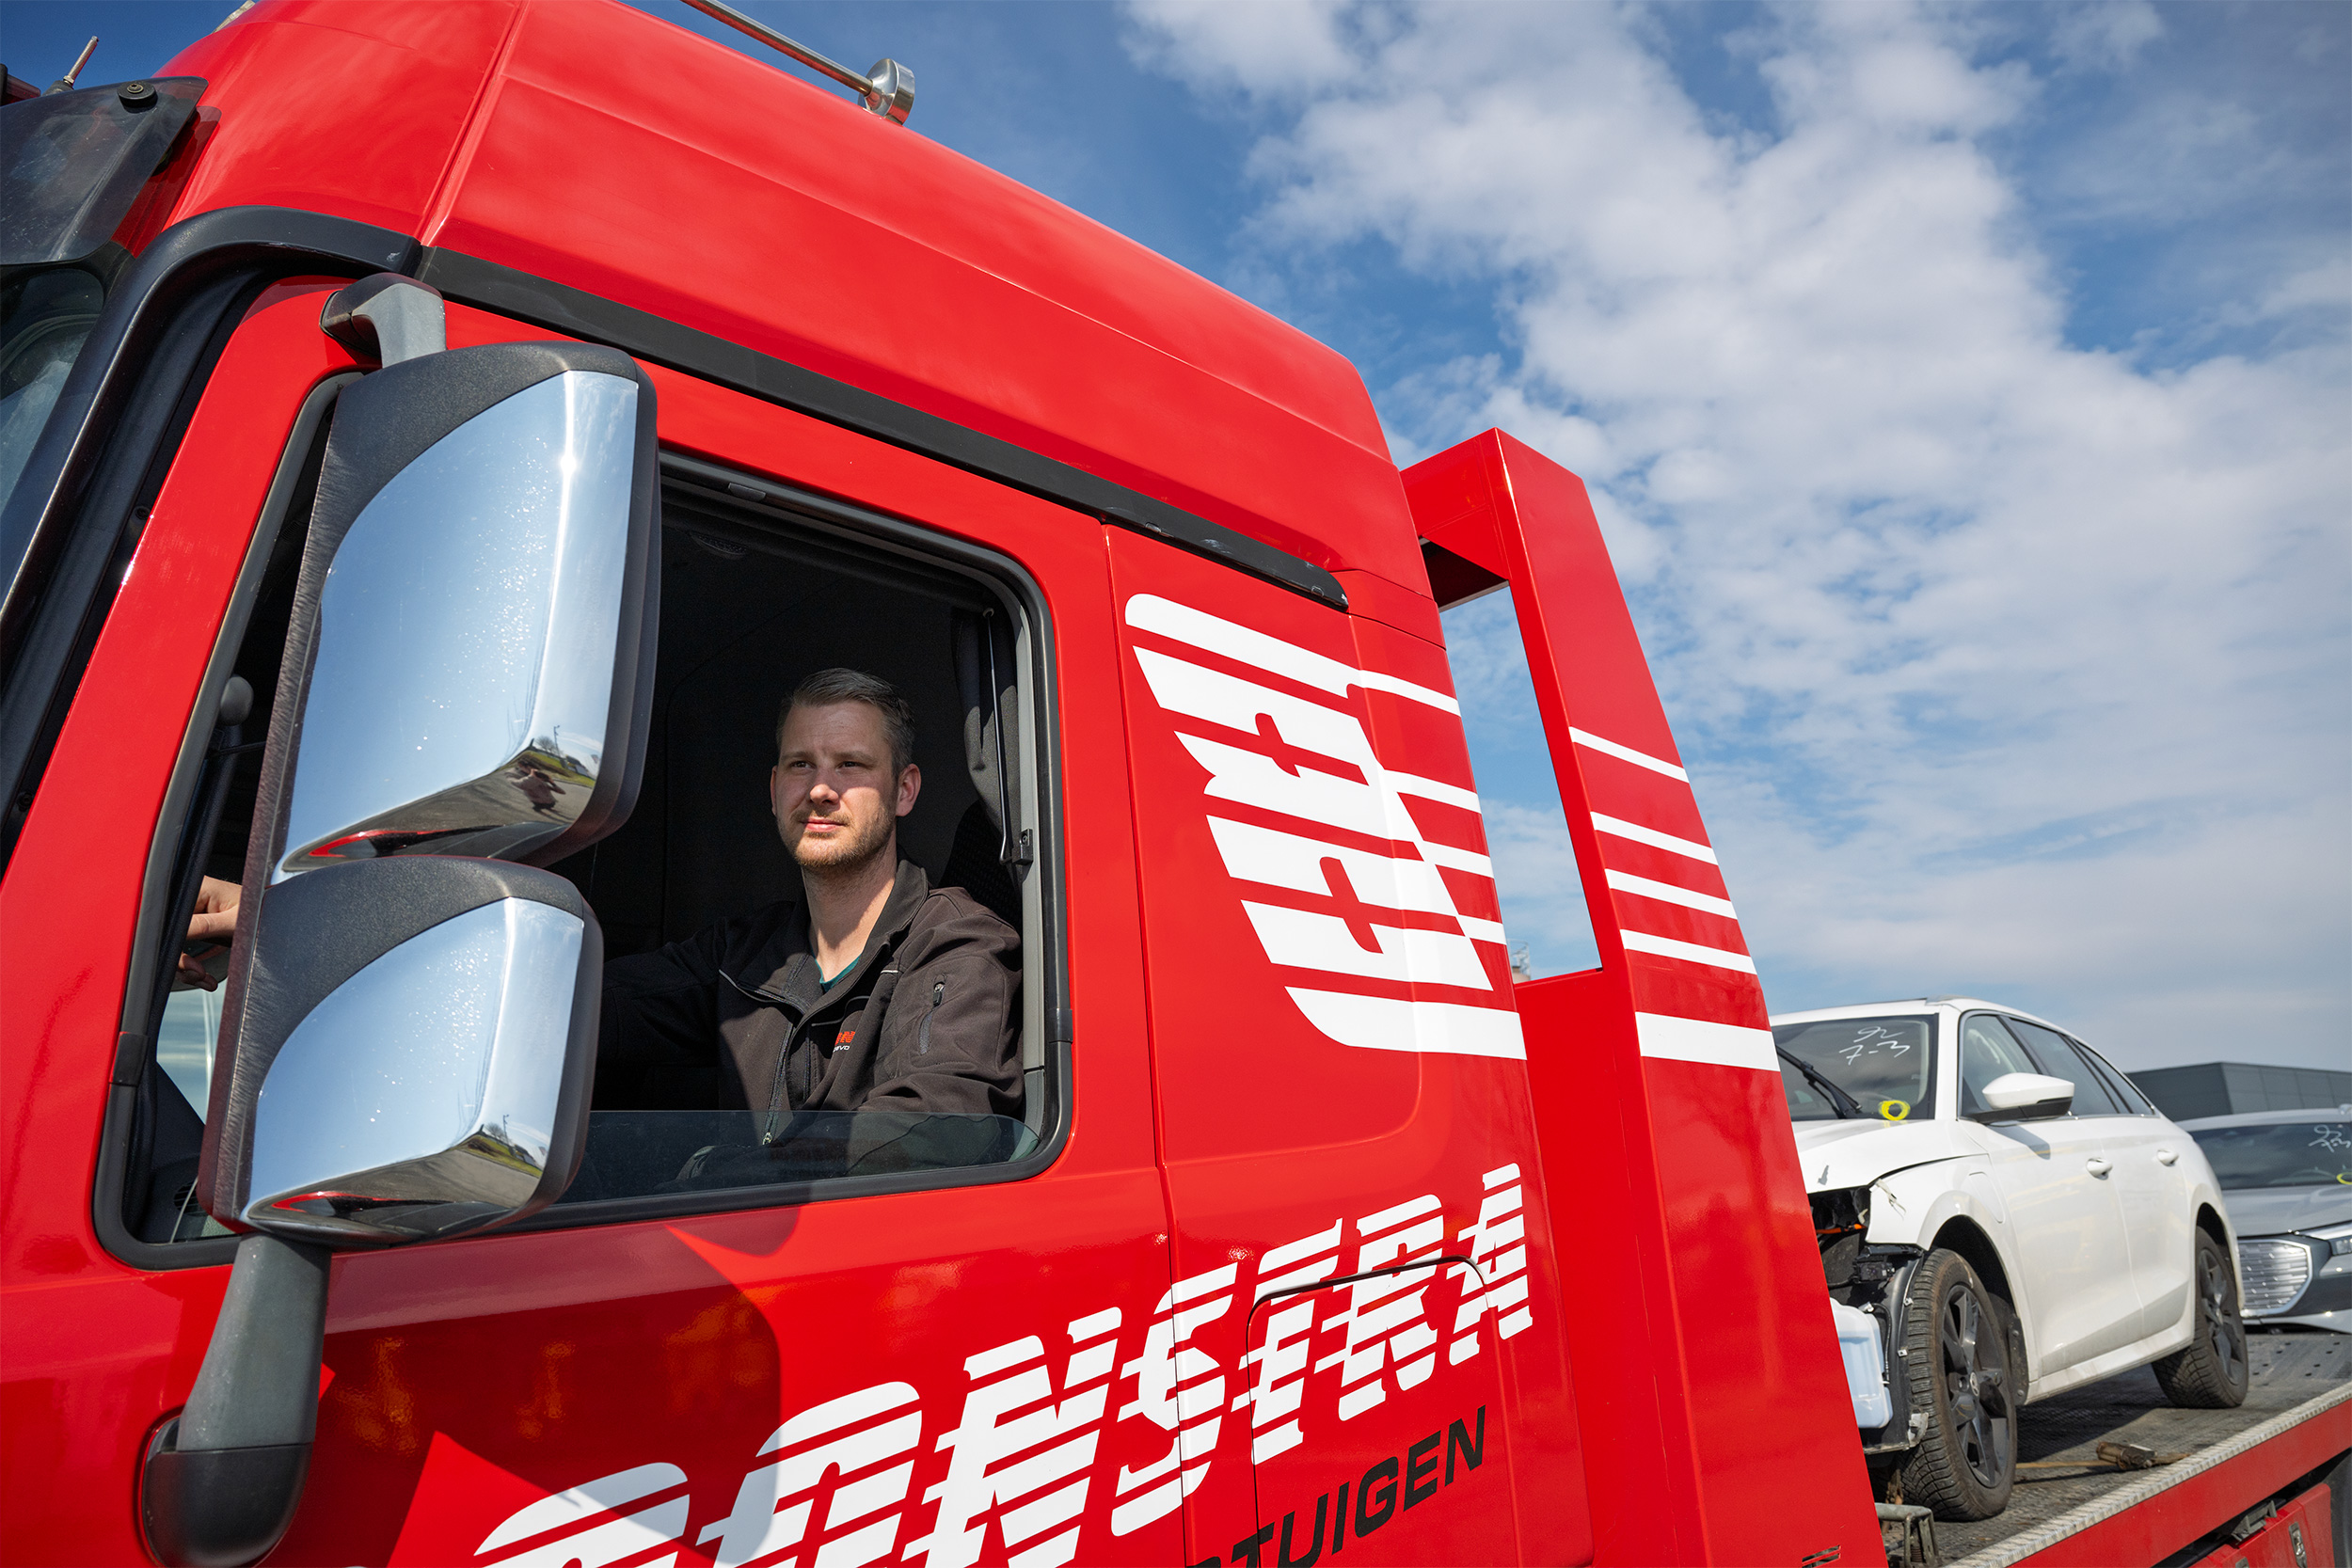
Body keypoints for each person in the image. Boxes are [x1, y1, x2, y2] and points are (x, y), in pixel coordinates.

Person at [594, 668, 1022, 1134]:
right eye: (801, 765)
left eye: (849, 764)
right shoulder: (740, 952)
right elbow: (593, 1008)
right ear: (775, 791)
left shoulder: (959, 942)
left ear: (904, 790)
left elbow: (928, 1128)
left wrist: (727, 1173)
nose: (819, 790)